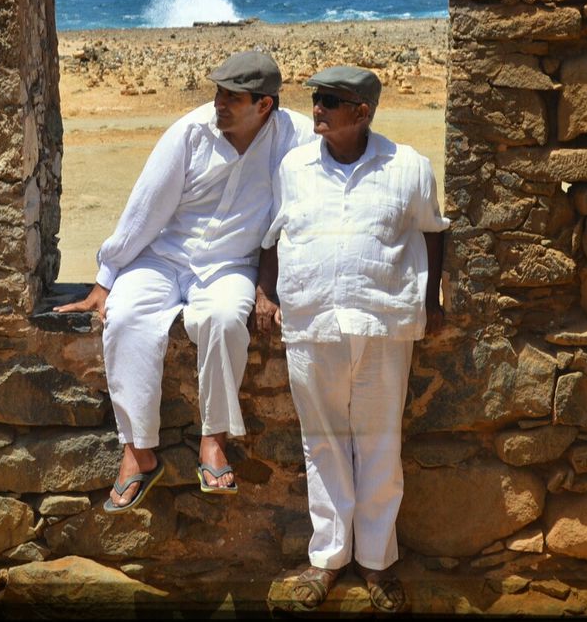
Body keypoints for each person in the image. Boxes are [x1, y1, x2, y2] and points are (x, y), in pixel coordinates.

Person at [56, 49, 314, 511]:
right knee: (127, 316)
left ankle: (212, 439)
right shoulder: (190, 133)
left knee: (224, 319)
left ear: (264, 106)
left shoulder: (295, 138)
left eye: (231, 97)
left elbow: (306, 205)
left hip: (231, 265)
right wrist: (107, 276)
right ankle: (138, 451)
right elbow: (144, 209)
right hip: (162, 258)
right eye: (217, 92)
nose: (217, 102)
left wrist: (270, 287)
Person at [255, 65, 448, 613]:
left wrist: (430, 301)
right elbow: (272, 237)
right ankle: (328, 559)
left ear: (362, 113)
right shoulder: (294, 168)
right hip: (311, 320)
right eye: (316, 98)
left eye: (331, 101)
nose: (317, 107)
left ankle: (378, 563)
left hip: (382, 322)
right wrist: (266, 293)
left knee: (380, 442)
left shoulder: (408, 167)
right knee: (321, 441)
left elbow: (434, 234)